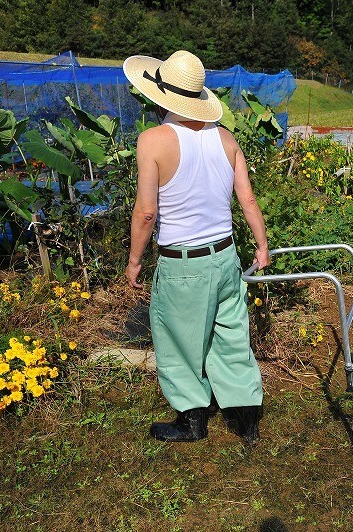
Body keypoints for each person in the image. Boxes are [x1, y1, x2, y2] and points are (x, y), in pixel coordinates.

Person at [123, 50, 270, 444]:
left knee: (177, 340)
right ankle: (246, 419)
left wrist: (135, 261)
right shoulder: (225, 139)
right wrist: (261, 244)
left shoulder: (152, 140)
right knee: (232, 336)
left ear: (159, 95)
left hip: (182, 263)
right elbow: (248, 200)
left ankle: (192, 420)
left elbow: (146, 213)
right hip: (224, 257)